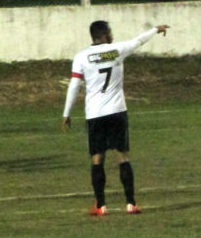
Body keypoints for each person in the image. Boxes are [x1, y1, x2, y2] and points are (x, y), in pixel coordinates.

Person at [62, 20, 169, 215]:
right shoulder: (117, 50)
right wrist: (156, 30)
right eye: (109, 32)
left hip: (95, 114)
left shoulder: (81, 57)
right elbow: (138, 41)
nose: (112, 35)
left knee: (97, 158)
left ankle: (101, 205)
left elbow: (74, 86)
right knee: (122, 156)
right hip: (117, 111)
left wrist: (66, 113)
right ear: (103, 35)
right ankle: (131, 203)